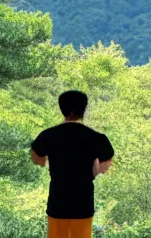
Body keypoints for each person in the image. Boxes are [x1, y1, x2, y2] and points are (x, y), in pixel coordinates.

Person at [31, 90, 114, 238]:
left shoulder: (48, 135)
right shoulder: (97, 138)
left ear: (62, 109)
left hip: (57, 201)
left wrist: (46, 162)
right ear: (83, 109)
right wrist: (94, 171)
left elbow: (37, 157)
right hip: (83, 202)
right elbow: (105, 164)